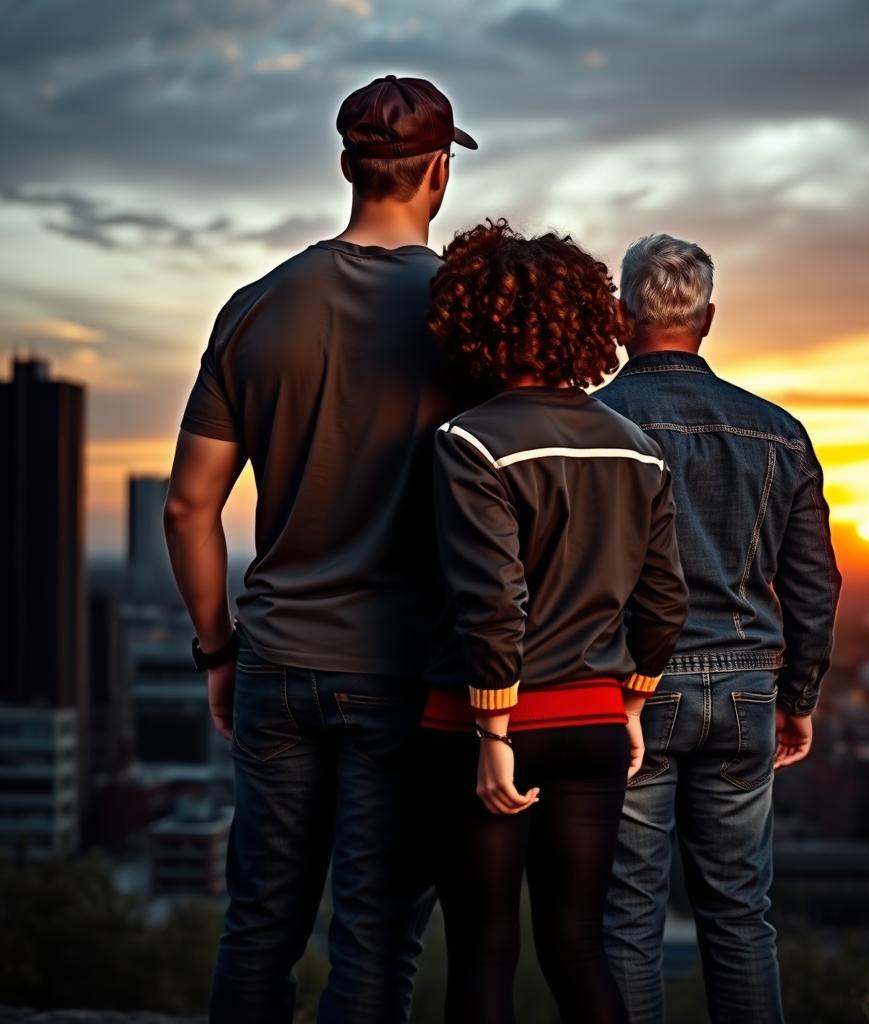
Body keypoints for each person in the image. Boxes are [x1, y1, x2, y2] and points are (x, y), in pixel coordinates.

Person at [163, 75, 478, 1024]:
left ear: (346, 166)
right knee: (377, 942)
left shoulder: (255, 307)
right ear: (436, 174)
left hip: (278, 664)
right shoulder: (466, 323)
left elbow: (188, 507)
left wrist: (220, 652)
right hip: (407, 676)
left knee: (259, 926)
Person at [417, 219, 689, 1024]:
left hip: (486, 731)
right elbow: (666, 598)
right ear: (586, 323)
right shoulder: (638, 448)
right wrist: (632, 704)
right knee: (580, 948)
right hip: (597, 723)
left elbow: (493, 600)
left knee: (484, 954)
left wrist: (494, 735)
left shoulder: (468, 441)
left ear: (476, 325)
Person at [599, 234, 842, 1024]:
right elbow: (813, 584)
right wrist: (798, 695)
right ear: (708, 318)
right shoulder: (780, 432)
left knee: (628, 918)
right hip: (744, 692)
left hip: (629, 691)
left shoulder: (592, 426)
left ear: (620, 314)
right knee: (740, 915)